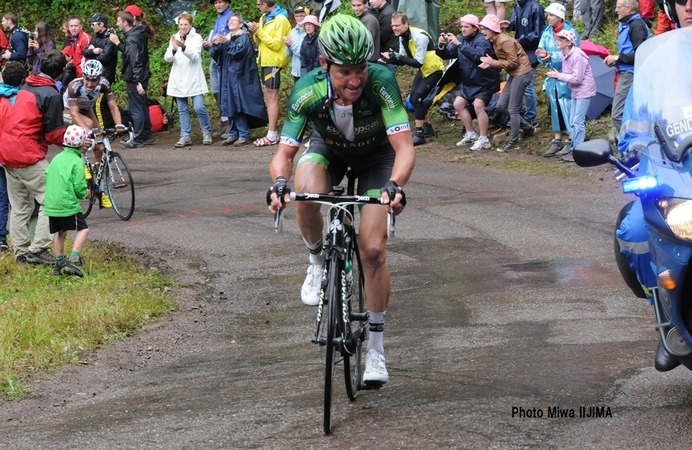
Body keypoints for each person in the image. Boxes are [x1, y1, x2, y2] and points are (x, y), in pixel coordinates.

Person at [267, 15, 415, 385]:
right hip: (329, 151)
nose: (355, 80)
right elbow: (284, 154)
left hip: (376, 159)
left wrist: (394, 185)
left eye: (360, 70)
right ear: (323, 65)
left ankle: (377, 351)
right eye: (344, 71)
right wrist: (280, 183)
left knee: (372, 251)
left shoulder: (381, 83)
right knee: (304, 189)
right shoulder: (307, 89)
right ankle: (317, 260)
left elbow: (404, 148)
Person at [616, 23, 692, 371]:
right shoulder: (657, 62)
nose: (689, 5)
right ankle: (669, 321)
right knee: (634, 231)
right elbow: (634, 128)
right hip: (676, 176)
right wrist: (633, 150)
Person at [0, 51, 66, 265]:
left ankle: (20, 252)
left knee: (20, 206)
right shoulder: (51, 94)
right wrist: (75, 142)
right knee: (52, 200)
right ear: (61, 72)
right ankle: (38, 249)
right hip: (26, 154)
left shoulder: (26, 86)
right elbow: (54, 134)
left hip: (6, 152)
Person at [436, 14, 500, 151]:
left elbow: (478, 57)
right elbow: (448, 54)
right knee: (458, 104)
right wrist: (441, 45)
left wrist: (459, 45)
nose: (463, 29)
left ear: (475, 28)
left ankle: (484, 138)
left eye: (466, 27)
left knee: (478, 105)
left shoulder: (482, 40)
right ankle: (470, 133)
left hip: (485, 81)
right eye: (461, 26)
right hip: (469, 81)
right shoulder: (461, 39)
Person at [380, 11, 443, 146]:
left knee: (416, 98)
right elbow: (403, 60)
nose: (394, 28)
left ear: (406, 24)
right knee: (414, 98)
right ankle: (428, 127)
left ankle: (419, 133)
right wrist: (390, 59)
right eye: (393, 26)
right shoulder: (403, 37)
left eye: (397, 25)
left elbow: (417, 62)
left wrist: (397, 57)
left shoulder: (419, 36)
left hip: (434, 69)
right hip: (424, 70)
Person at [478, 14, 535, 153]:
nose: (482, 31)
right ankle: (528, 128)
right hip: (514, 74)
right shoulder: (495, 40)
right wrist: (490, 64)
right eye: (482, 28)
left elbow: (513, 62)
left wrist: (493, 63)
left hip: (522, 73)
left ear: (493, 29)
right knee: (501, 106)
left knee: (513, 108)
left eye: (485, 28)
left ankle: (514, 142)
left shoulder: (504, 41)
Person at [210, 14, 268, 147]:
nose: (230, 22)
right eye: (229, 21)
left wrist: (226, 43)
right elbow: (217, 56)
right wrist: (215, 45)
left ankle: (243, 134)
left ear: (241, 24)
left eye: (233, 21)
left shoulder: (243, 37)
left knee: (238, 105)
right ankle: (233, 133)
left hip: (240, 77)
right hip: (227, 76)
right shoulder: (228, 38)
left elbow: (237, 53)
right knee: (229, 103)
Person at [44, 125, 91, 277]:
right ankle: (74, 260)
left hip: (52, 203)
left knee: (60, 232)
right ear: (81, 143)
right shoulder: (77, 161)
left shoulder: (56, 158)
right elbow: (78, 186)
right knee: (83, 229)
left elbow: (47, 174)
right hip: (66, 203)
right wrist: (85, 193)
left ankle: (59, 263)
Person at [545, 29, 595, 162]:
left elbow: (577, 78)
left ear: (568, 43)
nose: (558, 41)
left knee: (578, 122)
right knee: (572, 121)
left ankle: (578, 152)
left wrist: (558, 75)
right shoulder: (565, 53)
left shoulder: (578, 56)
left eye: (561, 40)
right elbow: (556, 56)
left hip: (584, 90)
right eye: (558, 39)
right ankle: (574, 149)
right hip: (575, 90)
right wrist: (545, 55)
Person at [536, 2, 579, 158]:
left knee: (567, 105)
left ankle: (572, 138)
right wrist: (543, 57)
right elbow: (540, 50)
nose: (548, 18)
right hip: (552, 75)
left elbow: (574, 54)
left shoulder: (570, 31)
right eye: (548, 15)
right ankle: (557, 139)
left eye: (552, 15)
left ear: (560, 16)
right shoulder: (547, 32)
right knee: (554, 106)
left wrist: (552, 56)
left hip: (567, 75)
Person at [165, 12, 213, 148]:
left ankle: (206, 131)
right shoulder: (174, 37)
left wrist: (184, 47)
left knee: (199, 107)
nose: (183, 27)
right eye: (181, 24)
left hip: (193, 78)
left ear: (190, 25)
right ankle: (185, 135)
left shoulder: (196, 38)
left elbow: (195, 56)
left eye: (186, 24)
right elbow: (167, 58)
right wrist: (174, 48)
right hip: (179, 78)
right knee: (182, 108)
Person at [247, 1, 291, 147]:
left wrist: (259, 31)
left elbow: (276, 44)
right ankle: (272, 132)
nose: (258, 6)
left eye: (260, 3)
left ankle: (272, 134)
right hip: (264, 60)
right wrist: (255, 32)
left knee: (272, 96)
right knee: (268, 95)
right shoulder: (263, 17)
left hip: (274, 61)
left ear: (267, 2)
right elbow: (259, 42)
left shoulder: (281, 19)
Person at [604, 0, 650, 137]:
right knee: (630, 113)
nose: (616, 10)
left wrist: (618, 58)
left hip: (631, 74)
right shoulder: (628, 24)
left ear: (629, 8)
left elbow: (641, 53)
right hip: (626, 72)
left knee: (617, 114)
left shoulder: (636, 25)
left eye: (619, 7)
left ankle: (631, 143)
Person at [110, 10, 154, 148]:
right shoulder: (136, 34)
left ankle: (139, 137)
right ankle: (146, 134)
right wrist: (118, 43)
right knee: (141, 105)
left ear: (125, 22)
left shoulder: (132, 38)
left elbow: (135, 60)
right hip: (140, 74)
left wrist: (137, 81)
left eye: (118, 21)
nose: (117, 23)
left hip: (136, 76)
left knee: (136, 107)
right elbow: (130, 53)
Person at [502, 0, 544, 127]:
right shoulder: (517, 5)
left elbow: (538, 34)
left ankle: (531, 117)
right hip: (518, 52)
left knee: (527, 85)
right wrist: (508, 25)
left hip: (530, 53)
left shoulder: (536, 7)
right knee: (511, 80)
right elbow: (516, 24)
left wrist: (518, 41)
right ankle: (518, 114)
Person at [0, 61, 26, 254]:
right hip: (17, 153)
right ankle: (25, 240)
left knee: (1, 196)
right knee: (22, 199)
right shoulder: (24, 99)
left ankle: (1, 237)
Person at [203, 0, 234, 139]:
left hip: (225, 59)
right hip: (215, 59)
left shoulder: (231, 17)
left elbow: (237, 35)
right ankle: (224, 121)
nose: (218, 5)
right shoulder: (219, 19)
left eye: (220, 2)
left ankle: (231, 125)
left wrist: (222, 39)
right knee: (216, 91)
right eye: (216, 2)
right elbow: (214, 37)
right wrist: (208, 43)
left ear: (227, 3)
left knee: (225, 91)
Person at [83, 13, 118, 129]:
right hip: (95, 76)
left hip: (105, 76)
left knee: (97, 104)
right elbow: (85, 52)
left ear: (101, 24)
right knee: (100, 104)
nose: (91, 26)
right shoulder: (96, 37)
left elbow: (105, 58)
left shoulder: (110, 38)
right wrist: (94, 51)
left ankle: (103, 131)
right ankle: (109, 128)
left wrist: (94, 53)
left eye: (93, 24)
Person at [369, 0, 398, 70]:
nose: (370, 1)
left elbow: (382, 37)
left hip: (386, 57)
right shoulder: (381, 11)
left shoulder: (387, 14)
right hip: (384, 55)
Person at [284, 5, 308, 81]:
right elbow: (289, 54)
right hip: (295, 72)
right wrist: (287, 46)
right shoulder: (293, 32)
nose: (299, 18)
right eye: (296, 16)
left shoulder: (309, 32)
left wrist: (291, 45)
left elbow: (304, 54)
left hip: (307, 72)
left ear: (307, 16)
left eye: (301, 16)